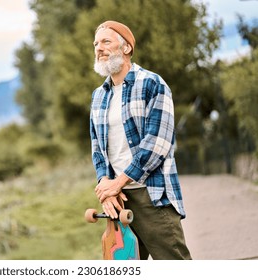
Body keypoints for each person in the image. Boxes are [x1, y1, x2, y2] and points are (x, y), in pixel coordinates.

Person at [90, 20, 192, 260]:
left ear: (126, 48)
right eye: (95, 43)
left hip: (152, 196)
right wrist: (107, 186)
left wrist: (119, 182)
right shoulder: (97, 96)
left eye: (106, 41)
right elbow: (98, 149)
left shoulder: (152, 84)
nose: (98, 48)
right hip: (118, 202)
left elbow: (157, 143)